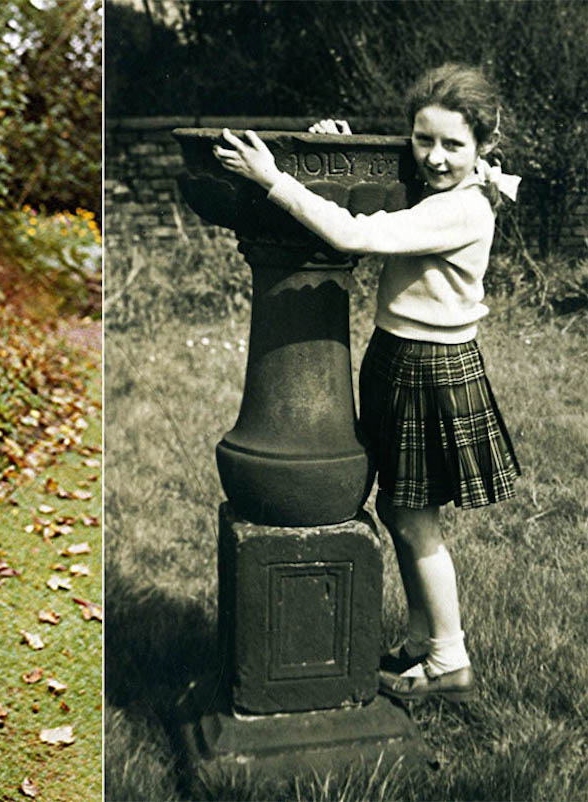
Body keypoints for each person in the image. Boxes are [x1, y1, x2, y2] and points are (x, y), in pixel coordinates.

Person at [213, 63, 522, 703]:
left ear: (484, 147)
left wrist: (274, 179)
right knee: (399, 509)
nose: (434, 157)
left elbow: (357, 232)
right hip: (398, 358)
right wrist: (338, 145)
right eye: (422, 139)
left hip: (432, 368)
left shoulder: (464, 209)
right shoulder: (438, 185)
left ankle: (449, 660)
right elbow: (382, 183)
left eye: (452, 145)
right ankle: (419, 643)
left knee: (415, 521)